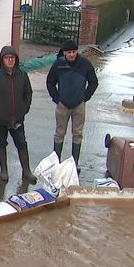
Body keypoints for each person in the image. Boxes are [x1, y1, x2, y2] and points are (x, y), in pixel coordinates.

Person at [0, 46, 36, 184]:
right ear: (2, 60)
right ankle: (4, 170)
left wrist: (24, 108)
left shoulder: (22, 75)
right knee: (1, 143)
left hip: (17, 119)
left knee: (22, 143)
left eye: (12, 57)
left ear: (16, 59)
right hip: (0, 120)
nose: (10, 60)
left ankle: (26, 171)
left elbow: (28, 93)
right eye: (7, 58)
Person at [46, 40, 98, 173]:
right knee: (59, 133)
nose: (72, 55)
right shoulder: (58, 65)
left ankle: (74, 163)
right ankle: (56, 162)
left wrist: (85, 97)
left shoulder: (85, 64)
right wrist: (56, 98)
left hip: (79, 105)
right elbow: (50, 82)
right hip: (62, 105)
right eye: (69, 52)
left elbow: (93, 82)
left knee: (77, 134)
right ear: (64, 53)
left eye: (74, 52)